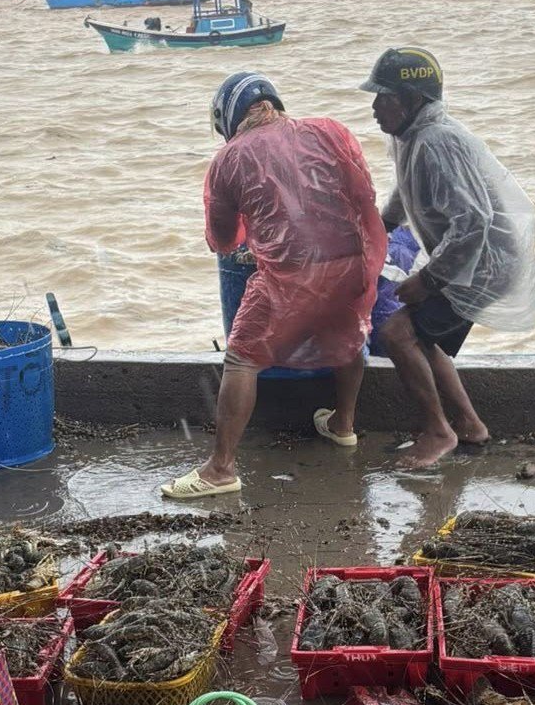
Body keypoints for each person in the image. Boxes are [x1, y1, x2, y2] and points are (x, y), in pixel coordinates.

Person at [161, 72, 386, 499]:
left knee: (242, 359)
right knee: (350, 337)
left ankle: (220, 469)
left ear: (228, 118)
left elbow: (222, 239)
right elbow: (363, 193)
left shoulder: (228, 159)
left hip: (290, 276)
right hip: (352, 263)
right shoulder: (330, 130)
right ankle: (344, 425)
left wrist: (257, 239)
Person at [356, 47, 535, 468]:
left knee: (398, 334)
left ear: (412, 99)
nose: (374, 107)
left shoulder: (437, 142)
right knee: (425, 336)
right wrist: (383, 224)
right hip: (471, 259)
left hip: (485, 265)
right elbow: (407, 188)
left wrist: (430, 280)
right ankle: (470, 426)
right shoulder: (412, 137)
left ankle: (439, 432)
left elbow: (474, 223)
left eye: (383, 97)